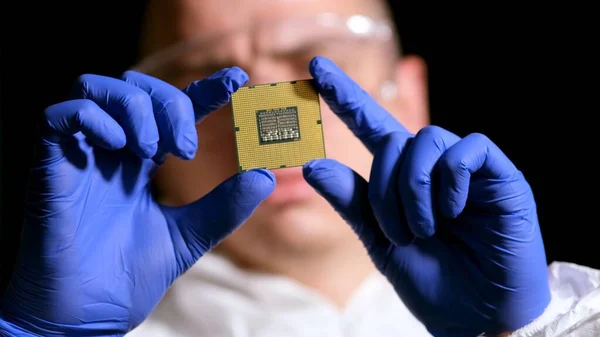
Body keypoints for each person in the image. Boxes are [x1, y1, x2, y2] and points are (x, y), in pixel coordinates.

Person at [0, 0, 598, 336]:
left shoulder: (561, 315)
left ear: (409, 94)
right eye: (206, 70)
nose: (264, 109)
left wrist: (528, 331)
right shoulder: (83, 323)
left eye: (314, 64)